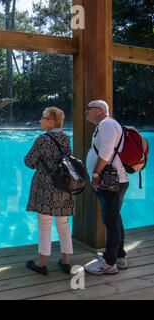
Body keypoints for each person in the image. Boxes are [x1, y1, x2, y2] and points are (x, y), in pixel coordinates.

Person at [24, 107, 75, 275]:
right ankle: (66, 262)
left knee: (45, 224)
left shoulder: (42, 139)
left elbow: (29, 161)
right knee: (63, 223)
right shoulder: (66, 138)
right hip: (63, 186)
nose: (40, 120)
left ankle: (42, 263)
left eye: (43, 117)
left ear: (51, 122)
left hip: (45, 186)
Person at [83, 100, 129, 275]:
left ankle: (109, 263)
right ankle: (119, 256)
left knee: (111, 221)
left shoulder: (107, 124)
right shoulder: (106, 125)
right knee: (114, 219)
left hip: (110, 182)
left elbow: (106, 151)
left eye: (89, 108)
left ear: (100, 111)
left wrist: (96, 175)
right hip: (113, 181)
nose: (86, 111)